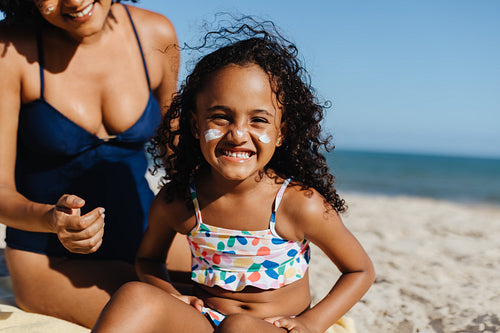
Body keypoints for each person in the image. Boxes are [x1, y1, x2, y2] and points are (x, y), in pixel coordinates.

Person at [91, 17, 375, 333]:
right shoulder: (180, 201)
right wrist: (172, 295)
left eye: (258, 120)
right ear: (195, 124)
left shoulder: (297, 204)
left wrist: (311, 322)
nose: (238, 134)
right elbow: (147, 260)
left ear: (281, 132)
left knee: (239, 327)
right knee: (133, 295)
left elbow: (359, 270)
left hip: (273, 328)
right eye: (221, 117)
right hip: (205, 321)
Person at [0, 0, 190, 328]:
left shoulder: (156, 34)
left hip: (148, 235)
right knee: (174, 320)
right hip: (49, 257)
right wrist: (50, 220)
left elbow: (177, 153)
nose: (73, 1)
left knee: (239, 301)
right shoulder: (10, 52)